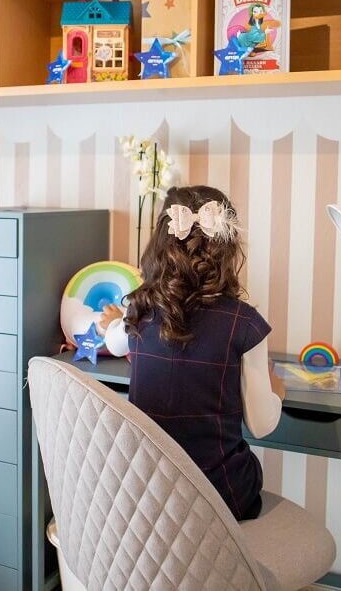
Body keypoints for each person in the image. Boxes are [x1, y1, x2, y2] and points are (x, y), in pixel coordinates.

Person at [101, 185, 286, 520]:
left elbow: (114, 343)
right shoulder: (244, 323)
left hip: (149, 496)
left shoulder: (140, 308)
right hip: (221, 499)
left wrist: (114, 320)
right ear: (227, 249)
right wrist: (277, 390)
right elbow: (261, 425)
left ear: (160, 245)